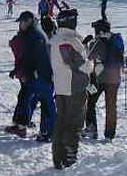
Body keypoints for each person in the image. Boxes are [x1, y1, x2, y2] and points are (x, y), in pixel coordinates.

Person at [50, 9, 92, 169]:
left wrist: (84, 47)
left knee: (61, 121)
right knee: (74, 123)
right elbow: (79, 64)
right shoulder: (68, 40)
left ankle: (58, 156)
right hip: (74, 87)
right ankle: (69, 156)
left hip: (60, 86)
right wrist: (91, 64)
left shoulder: (55, 39)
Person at [5, 11, 56, 141]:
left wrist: (27, 74)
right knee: (25, 97)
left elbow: (31, 58)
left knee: (45, 102)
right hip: (39, 74)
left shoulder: (33, 35)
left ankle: (47, 133)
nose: (20, 25)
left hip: (40, 75)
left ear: (28, 21)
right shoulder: (32, 33)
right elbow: (26, 57)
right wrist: (17, 70)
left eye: (22, 22)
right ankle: (21, 126)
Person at [86, 19, 123, 141]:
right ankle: (109, 134)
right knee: (111, 106)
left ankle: (92, 129)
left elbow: (89, 57)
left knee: (91, 101)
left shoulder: (99, 42)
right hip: (115, 77)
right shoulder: (115, 39)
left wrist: (87, 44)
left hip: (99, 78)